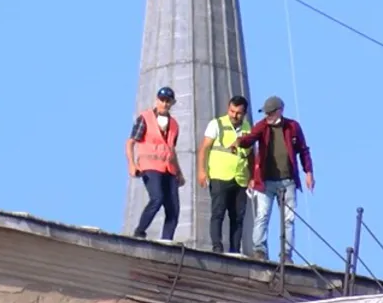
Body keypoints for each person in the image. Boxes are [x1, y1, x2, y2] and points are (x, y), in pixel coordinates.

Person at [231, 96, 314, 262]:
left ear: (279, 112)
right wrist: (239, 142)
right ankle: (259, 250)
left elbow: (303, 150)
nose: (267, 116)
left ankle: (286, 254)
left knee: (288, 219)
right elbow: (250, 138)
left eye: (270, 113)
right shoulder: (262, 126)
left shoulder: (292, 127)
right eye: (266, 113)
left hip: (288, 181)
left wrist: (308, 172)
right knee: (262, 215)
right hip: (265, 181)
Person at [126, 87, 185, 241]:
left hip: (169, 169)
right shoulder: (145, 118)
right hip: (150, 166)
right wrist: (132, 164)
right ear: (157, 100)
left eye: (167, 101)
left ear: (172, 103)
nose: (164, 104)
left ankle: (166, 240)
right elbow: (131, 142)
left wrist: (179, 172)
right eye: (162, 100)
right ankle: (140, 231)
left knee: (173, 209)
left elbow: (171, 149)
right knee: (157, 197)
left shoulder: (174, 125)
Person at [197, 95, 251, 254]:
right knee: (218, 212)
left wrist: (252, 177)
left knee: (238, 217)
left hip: (240, 177)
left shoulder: (248, 127)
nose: (234, 115)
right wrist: (202, 171)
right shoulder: (217, 124)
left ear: (244, 113)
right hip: (219, 175)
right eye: (232, 111)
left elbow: (251, 153)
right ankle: (217, 247)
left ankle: (235, 250)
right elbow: (204, 148)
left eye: (238, 113)